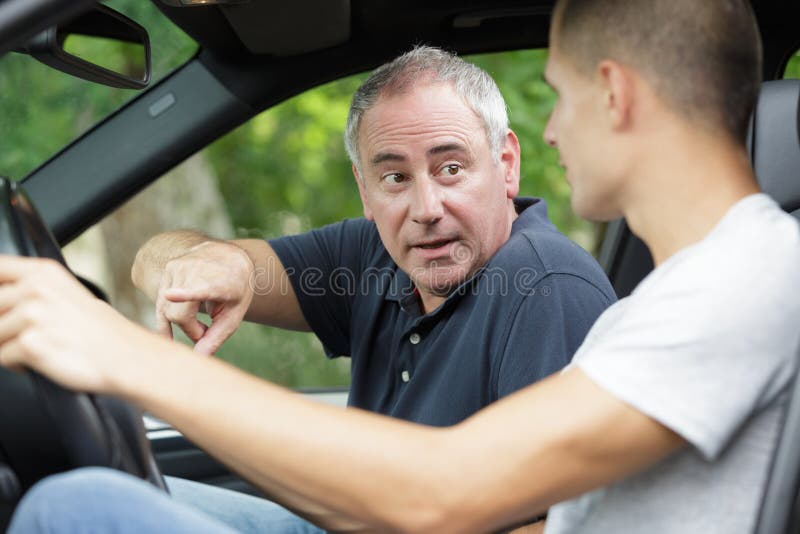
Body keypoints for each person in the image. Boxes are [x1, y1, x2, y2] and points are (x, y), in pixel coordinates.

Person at [3, 0, 800, 532]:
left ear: (613, 94)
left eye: (556, 95)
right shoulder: (681, 298)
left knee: (73, 509)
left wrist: (121, 355)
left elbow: (443, 488)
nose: (554, 130)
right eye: (394, 177)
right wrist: (193, 275)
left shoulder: (738, 282)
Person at [126, 45, 614, 532]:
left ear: (506, 164)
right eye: (396, 177)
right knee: (103, 485)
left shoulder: (547, 288)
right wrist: (214, 265)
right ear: (366, 190)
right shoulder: (371, 256)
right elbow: (155, 256)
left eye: (451, 168)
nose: (426, 208)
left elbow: (569, 526)